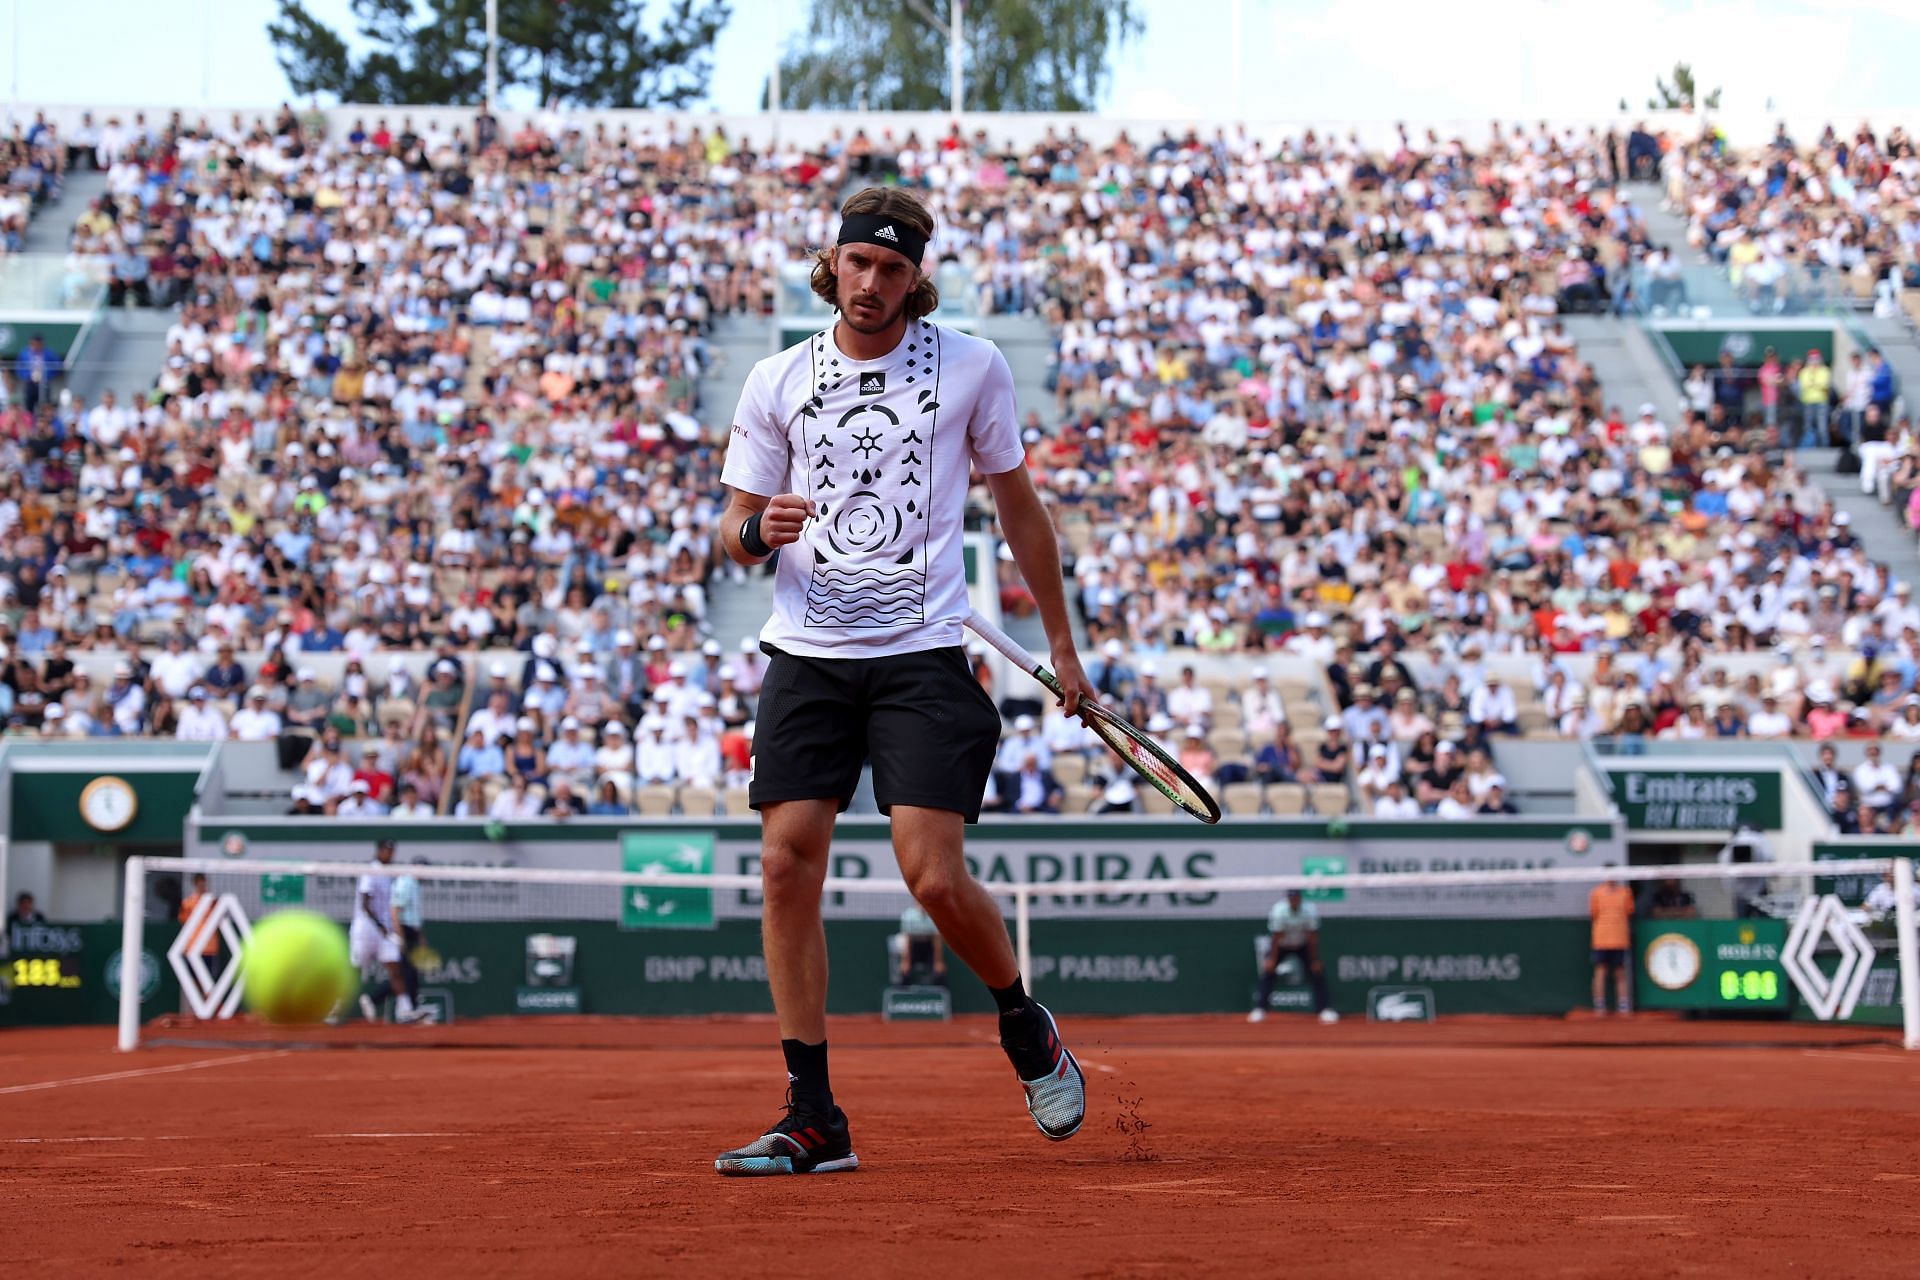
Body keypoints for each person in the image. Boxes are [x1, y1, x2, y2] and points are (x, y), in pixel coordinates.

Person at [713, 186, 1091, 1177]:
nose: (871, 283)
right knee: (785, 865)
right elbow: (735, 526)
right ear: (830, 263)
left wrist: (1063, 645)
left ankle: (1023, 1020)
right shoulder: (777, 377)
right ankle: (814, 1114)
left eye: (892, 268)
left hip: (925, 651)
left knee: (931, 872)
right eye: (857, 263)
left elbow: (1020, 509)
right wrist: (759, 531)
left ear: (917, 277)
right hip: (808, 654)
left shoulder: (973, 366)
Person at [1248, 889, 1336, 1025]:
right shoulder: (1278, 910)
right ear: (1287, 899)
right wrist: (1271, 959)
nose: (1293, 900)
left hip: (1303, 945)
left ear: (1300, 898)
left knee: (1317, 973)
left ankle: (1324, 1010)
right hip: (1282, 946)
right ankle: (1260, 1010)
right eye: (1291, 897)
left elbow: (1312, 936)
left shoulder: (1310, 910)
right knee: (1268, 974)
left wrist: (1314, 960)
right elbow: (1276, 937)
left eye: (1296, 897)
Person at [350, 838, 414, 1024]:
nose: (390, 854)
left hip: (384, 932)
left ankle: (405, 1011)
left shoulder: (389, 874)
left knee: (396, 968)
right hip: (365, 931)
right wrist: (380, 926)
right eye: (386, 850)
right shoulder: (370, 871)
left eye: (392, 850)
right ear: (378, 851)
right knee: (353, 972)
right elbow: (365, 903)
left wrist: (388, 929)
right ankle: (335, 1008)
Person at [1589, 868, 1634, 1016]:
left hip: (1619, 939)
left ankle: (1623, 1006)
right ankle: (1599, 1006)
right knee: (1600, 971)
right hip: (1601, 939)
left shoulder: (1625, 892)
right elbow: (1594, 913)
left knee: (1620, 972)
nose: (1611, 877)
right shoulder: (1596, 893)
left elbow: (1629, 911)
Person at [894, 903, 946, 987]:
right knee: (904, 971)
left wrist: (938, 961)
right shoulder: (908, 915)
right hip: (914, 948)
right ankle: (903, 994)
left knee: (940, 972)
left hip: (929, 949)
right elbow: (907, 940)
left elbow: (936, 940)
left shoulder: (934, 916)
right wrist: (905, 961)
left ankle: (939, 993)